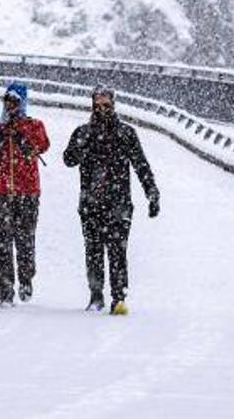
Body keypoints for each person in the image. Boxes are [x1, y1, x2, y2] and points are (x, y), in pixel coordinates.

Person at [63, 85, 160, 315]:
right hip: (90, 203)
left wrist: (152, 193)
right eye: (97, 105)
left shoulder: (125, 133)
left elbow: (141, 165)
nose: (101, 109)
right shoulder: (82, 133)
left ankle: (118, 297)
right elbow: (68, 159)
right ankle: (96, 296)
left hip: (119, 203)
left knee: (118, 251)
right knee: (94, 251)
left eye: (105, 105)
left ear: (113, 105)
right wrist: (80, 145)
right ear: (92, 105)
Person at [0, 81, 50, 307]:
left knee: (26, 241)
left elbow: (44, 144)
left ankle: (26, 278)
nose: (11, 106)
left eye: (16, 101)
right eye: (8, 101)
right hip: (0, 193)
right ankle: (5, 292)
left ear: (24, 103)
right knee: (2, 243)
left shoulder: (34, 125)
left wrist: (23, 134)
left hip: (28, 193)